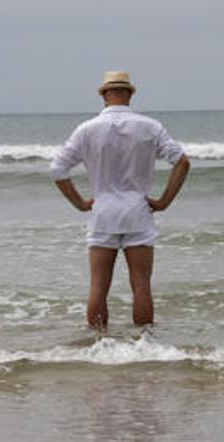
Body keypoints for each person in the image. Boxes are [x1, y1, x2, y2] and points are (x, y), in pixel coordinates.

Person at [50, 71, 190, 328]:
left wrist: (80, 204)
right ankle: (145, 347)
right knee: (141, 286)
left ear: (104, 95)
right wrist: (164, 201)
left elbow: (57, 170)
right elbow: (182, 162)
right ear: (131, 94)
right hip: (138, 213)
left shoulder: (86, 129)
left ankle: (99, 348)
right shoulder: (150, 127)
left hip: (103, 214)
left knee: (98, 288)